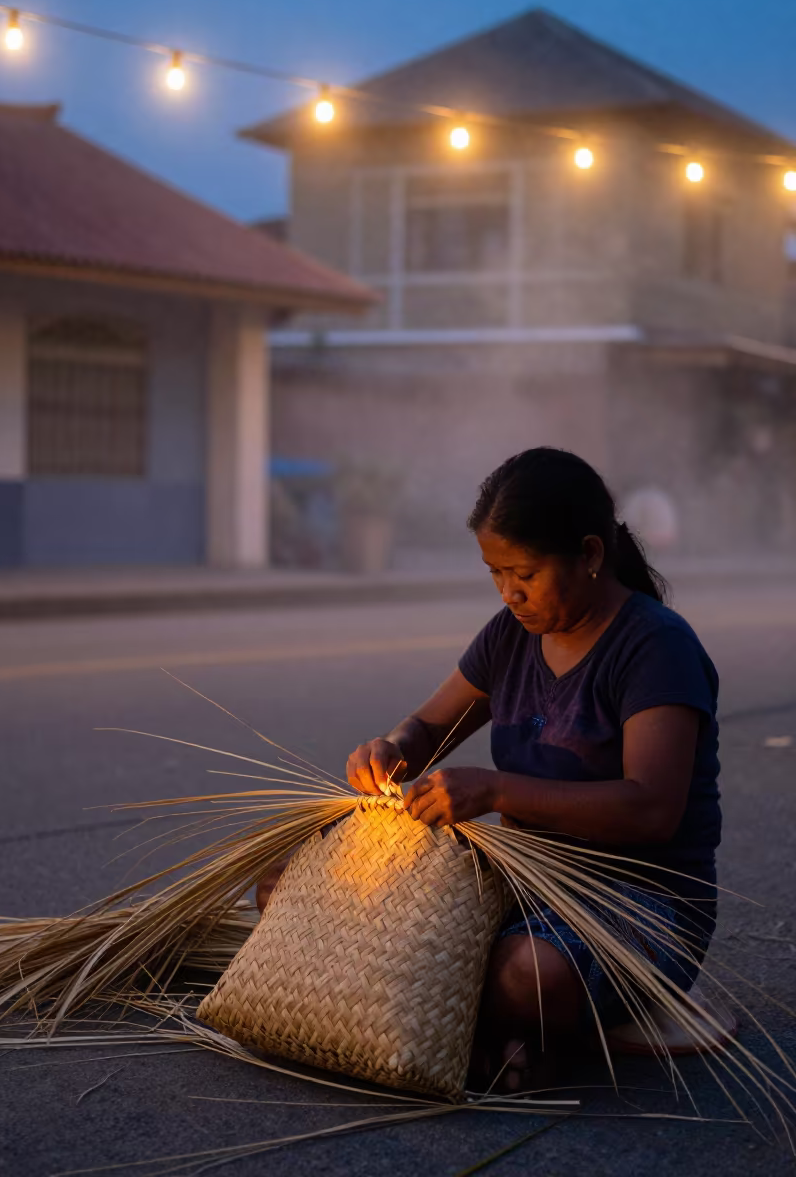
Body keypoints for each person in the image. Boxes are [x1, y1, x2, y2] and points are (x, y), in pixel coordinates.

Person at [259, 447, 721, 1091]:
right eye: (496, 573)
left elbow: (650, 809)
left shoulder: (655, 647)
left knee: (526, 974)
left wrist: (498, 789)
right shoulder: (511, 634)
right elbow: (425, 728)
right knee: (286, 888)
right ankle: (486, 1025)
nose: (510, 592)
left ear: (590, 555)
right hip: (522, 883)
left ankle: (503, 1022)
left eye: (524, 572)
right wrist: (392, 750)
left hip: (638, 901)